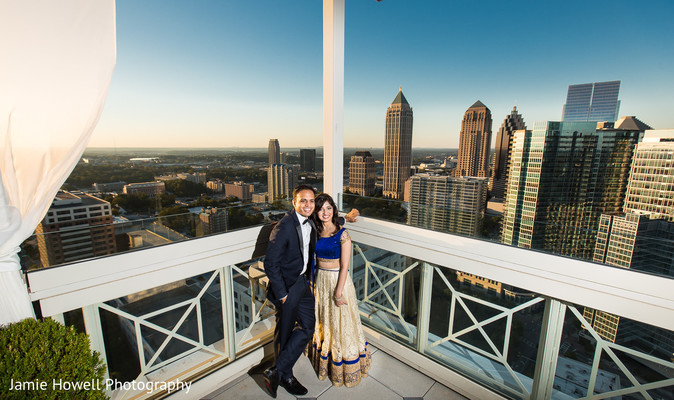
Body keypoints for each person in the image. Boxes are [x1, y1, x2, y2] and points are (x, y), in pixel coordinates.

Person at [263, 185, 358, 398]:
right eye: (303, 201)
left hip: (304, 284)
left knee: (307, 327)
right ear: (294, 202)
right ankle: (285, 375)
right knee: (285, 331)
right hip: (288, 288)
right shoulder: (285, 226)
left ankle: (276, 370)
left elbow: (330, 223)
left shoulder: (312, 222)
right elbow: (270, 263)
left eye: (311, 201)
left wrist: (346, 218)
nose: (308, 205)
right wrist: (282, 294)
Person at [306, 193, 371, 387]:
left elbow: (345, 267)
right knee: (326, 320)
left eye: (328, 208)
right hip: (320, 280)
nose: (325, 212)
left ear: (334, 209)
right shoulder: (314, 231)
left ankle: (345, 366)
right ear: (316, 212)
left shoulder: (343, 234)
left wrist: (338, 292)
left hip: (338, 282)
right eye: (321, 208)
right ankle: (327, 358)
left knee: (342, 322)